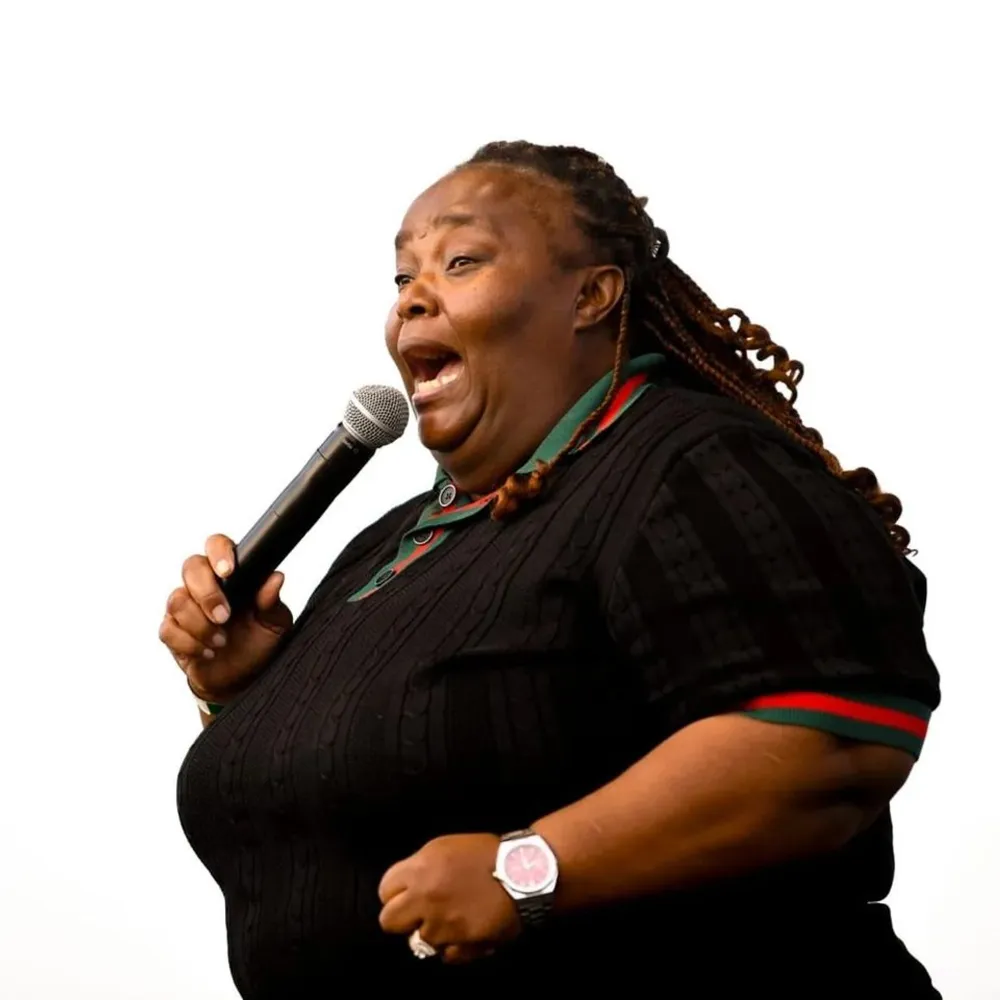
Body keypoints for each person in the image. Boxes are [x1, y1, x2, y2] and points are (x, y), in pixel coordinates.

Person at [163, 141, 941, 997]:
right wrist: (243, 692)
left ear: (591, 295)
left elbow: (832, 740)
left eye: (461, 261)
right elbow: (326, 816)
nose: (412, 298)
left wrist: (528, 870)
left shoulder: (689, 466)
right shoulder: (389, 546)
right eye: (402, 277)